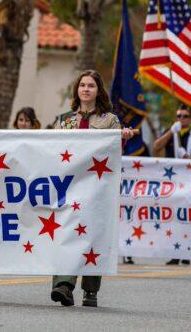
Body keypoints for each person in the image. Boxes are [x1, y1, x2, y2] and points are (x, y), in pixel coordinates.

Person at [50, 70, 133, 308]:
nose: (86, 89)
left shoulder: (109, 120)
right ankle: (63, 285)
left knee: (92, 234)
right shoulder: (64, 120)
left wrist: (123, 137)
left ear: (99, 91)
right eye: (82, 85)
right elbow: (50, 149)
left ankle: (90, 289)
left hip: (98, 186)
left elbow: (115, 152)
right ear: (77, 90)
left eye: (91, 86)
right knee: (67, 232)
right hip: (70, 185)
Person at [153, 104, 191, 265]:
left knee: (187, 217)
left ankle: (186, 252)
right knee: (172, 217)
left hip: (190, 182)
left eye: (184, 116)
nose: (181, 119)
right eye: (178, 116)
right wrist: (171, 131)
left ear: (190, 119)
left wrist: (187, 156)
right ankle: (175, 252)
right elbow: (156, 147)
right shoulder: (171, 133)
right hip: (172, 183)